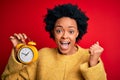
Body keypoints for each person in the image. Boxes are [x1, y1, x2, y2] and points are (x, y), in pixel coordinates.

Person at [1, 3, 107, 80]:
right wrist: (19, 52)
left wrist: (93, 63)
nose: (64, 36)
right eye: (59, 30)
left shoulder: (89, 56)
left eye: (70, 31)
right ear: (53, 32)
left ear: (77, 33)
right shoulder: (42, 55)